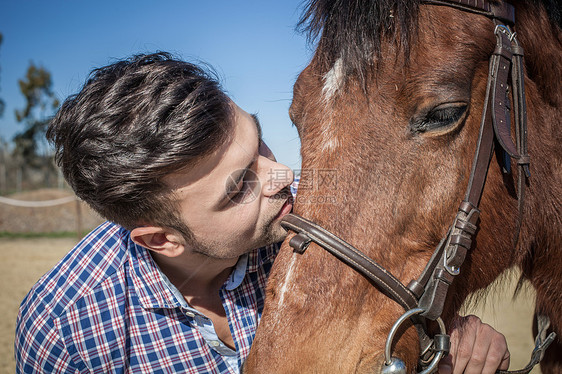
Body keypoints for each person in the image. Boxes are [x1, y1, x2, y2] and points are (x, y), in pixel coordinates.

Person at [15, 52, 509, 373]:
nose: (282, 175)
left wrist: (448, 345)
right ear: (162, 240)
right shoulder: (68, 329)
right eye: (238, 190)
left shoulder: (311, 234)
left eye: (261, 144)